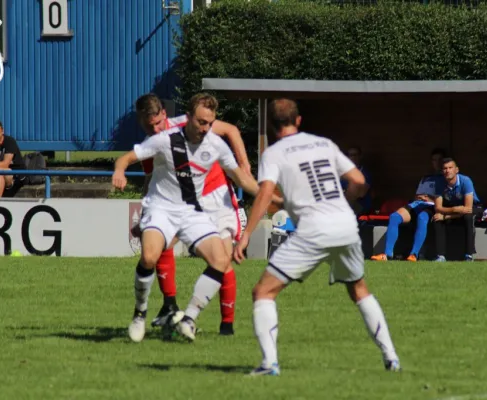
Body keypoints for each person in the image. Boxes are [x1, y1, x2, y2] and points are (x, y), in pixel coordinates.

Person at [234, 99, 401, 376]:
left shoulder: (274, 154)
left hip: (313, 230)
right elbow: (359, 182)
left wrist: (246, 235)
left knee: (263, 292)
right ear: (298, 120)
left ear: (272, 126)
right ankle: (391, 358)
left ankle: (269, 364)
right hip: (346, 225)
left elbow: (264, 194)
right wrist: (343, 202)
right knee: (359, 290)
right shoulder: (324, 144)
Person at [112, 93, 278, 343]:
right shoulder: (162, 140)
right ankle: (141, 313)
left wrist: (273, 196)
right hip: (163, 208)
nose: (206, 128)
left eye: (209, 123)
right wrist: (121, 172)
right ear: (188, 118)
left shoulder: (214, 144)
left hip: (197, 206)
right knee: (150, 255)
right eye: (201, 122)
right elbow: (132, 163)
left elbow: (241, 173)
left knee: (222, 260)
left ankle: (192, 319)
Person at [133, 93, 252, 335]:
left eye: (158, 123)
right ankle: (170, 306)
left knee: (223, 259)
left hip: (216, 196)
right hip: (183, 203)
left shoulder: (188, 123)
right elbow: (151, 180)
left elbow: (230, 130)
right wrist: (147, 214)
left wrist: (244, 166)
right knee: (159, 245)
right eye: (149, 126)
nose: (155, 129)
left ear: (165, 115)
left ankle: (226, 325)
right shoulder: (153, 144)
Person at [371, 147, 446, 261]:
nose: (437, 163)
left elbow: (448, 200)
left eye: (439, 159)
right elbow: (417, 195)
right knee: (394, 217)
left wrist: (430, 199)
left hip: (431, 207)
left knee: (422, 218)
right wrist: (419, 197)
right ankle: (387, 254)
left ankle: (414, 254)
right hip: (418, 204)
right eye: (434, 160)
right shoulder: (426, 178)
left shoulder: (447, 178)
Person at [432, 158, 482, 262]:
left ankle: (469, 255)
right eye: (445, 168)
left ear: (456, 170)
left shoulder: (465, 181)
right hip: (454, 208)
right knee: (437, 218)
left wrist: (446, 216)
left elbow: (467, 209)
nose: (447, 171)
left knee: (468, 217)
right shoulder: (439, 183)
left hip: (473, 207)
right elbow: (438, 207)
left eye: (450, 168)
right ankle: (440, 256)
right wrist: (454, 209)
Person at [341, 146, 372, 215]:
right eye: (350, 155)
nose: (353, 157)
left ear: (360, 156)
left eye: (355, 155)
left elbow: (360, 194)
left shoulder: (365, 173)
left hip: (360, 205)